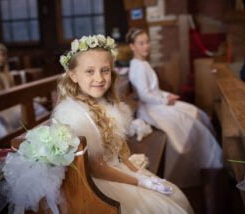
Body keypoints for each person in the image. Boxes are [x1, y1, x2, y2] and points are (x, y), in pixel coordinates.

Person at [52, 35, 194, 214]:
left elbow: (120, 150)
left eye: (105, 70)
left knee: (174, 196)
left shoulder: (107, 104)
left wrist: (139, 173)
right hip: (101, 183)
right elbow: (97, 169)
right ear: (73, 75)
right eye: (89, 71)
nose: (99, 78)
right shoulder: (76, 117)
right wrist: (140, 182)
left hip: (120, 169)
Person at [126, 28, 223, 188]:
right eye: (141, 43)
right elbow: (144, 95)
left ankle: (204, 156)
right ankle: (197, 161)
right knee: (186, 119)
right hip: (151, 109)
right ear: (132, 47)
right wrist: (165, 101)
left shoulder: (143, 63)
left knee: (193, 111)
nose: (146, 46)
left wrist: (167, 96)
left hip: (156, 102)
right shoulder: (138, 66)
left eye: (147, 42)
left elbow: (153, 90)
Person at [0, 43, 47, 142]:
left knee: (34, 106)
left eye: (3, 55)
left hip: (9, 103)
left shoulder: (7, 74)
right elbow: (0, 92)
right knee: (0, 121)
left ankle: (41, 134)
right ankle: (10, 141)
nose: (1, 58)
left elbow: (13, 90)